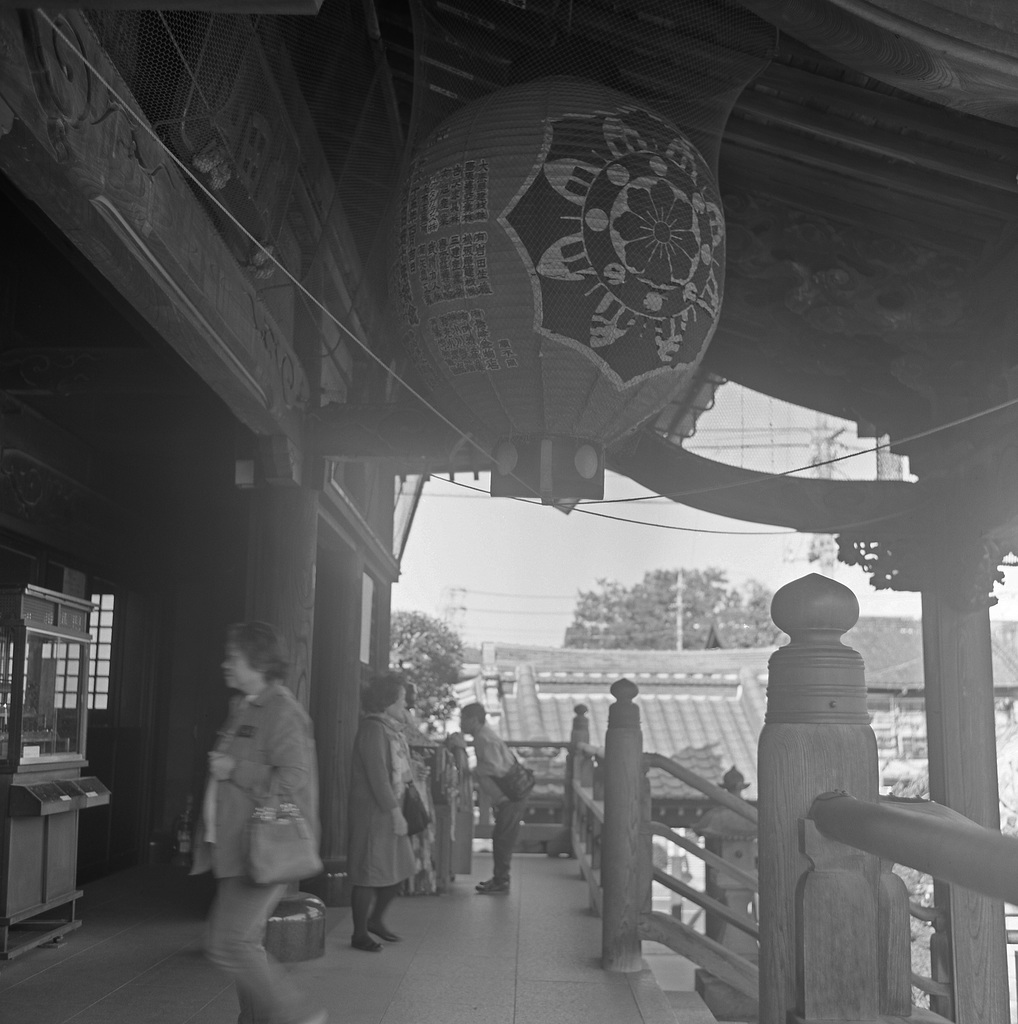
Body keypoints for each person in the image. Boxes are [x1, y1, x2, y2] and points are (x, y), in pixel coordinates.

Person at [191, 621, 325, 1024]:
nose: (225, 664)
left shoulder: (283, 710)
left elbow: (293, 777)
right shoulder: (244, 705)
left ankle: (296, 1014)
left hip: (260, 848)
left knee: (229, 942)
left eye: (233, 657)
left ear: (258, 661)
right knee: (244, 941)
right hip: (235, 846)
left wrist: (235, 767)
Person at [347, 671, 415, 951]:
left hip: (389, 807)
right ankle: (359, 932)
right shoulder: (373, 729)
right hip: (375, 812)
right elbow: (378, 777)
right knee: (369, 871)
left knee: (400, 867)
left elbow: (397, 771)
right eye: (400, 700)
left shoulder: (390, 729)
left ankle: (375, 920)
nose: (404, 705)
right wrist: (395, 813)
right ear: (386, 701)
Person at [458, 702, 525, 894]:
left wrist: (474, 771)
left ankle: (502, 880)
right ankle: (499, 879)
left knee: (503, 839)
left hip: (510, 796)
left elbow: (496, 768)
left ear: (473, 720)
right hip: (508, 796)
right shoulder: (483, 735)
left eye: (463, 718)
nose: (461, 722)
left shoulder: (483, 738)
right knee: (501, 838)